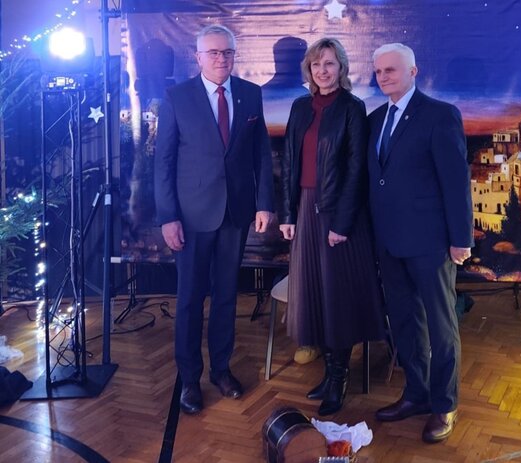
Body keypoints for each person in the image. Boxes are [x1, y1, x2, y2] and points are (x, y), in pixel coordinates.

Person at [154, 25, 274, 415]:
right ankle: (189, 379)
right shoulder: (177, 97)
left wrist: (264, 204)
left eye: (228, 52)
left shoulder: (250, 94)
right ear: (198, 57)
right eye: (214, 53)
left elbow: (261, 155)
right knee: (190, 298)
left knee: (226, 296)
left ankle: (221, 370)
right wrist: (168, 217)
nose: (221, 59)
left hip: (235, 214)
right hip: (190, 218)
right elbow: (164, 162)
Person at [367, 43, 473, 443]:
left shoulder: (440, 115)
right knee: (405, 323)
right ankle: (416, 394)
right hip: (389, 243)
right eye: (379, 71)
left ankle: (445, 405)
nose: (384, 77)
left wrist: (461, 239)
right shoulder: (374, 120)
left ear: (413, 71)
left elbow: (455, 182)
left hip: (431, 243)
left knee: (442, 327)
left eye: (391, 70)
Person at [279, 37, 384, 416]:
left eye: (329, 64)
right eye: (316, 64)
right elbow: (289, 164)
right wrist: (288, 215)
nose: (322, 71)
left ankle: (339, 378)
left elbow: (356, 171)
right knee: (315, 294)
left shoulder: (353, 109)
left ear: (341, 68)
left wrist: (342, 222)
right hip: (305, 211)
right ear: (309, 70)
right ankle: (328, 373)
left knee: (337, 297)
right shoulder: (299, 107)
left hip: (340, 216)